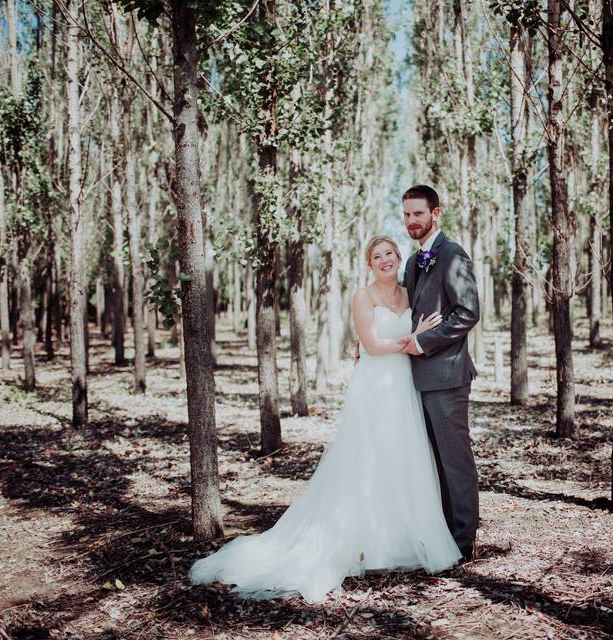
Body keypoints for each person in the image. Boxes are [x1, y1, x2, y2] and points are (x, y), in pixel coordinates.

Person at [188, 235, 461, 603]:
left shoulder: (409, 293)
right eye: (377, 256)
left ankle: (399, 538)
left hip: (404, 386)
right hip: (374, 384)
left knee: (403, 456)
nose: (385, 260)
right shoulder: (362, 297)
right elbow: (373, 345)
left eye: (390, 254)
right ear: (369, 263)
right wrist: (415, 337)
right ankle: (364, 542)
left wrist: (418, 336)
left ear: (400, 259)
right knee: (367, 460)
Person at [398, 184, 481, 561]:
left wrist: (424, 341)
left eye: (418, 213)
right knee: (432, 463)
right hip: (417, 378)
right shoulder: (414, 263)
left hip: (447, 376)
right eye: (407, 214)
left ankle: (462, 543)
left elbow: (467, 313)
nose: (411, 220)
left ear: (436, 214)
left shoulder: (453, 255)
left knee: (454, 461)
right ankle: (443, 535)